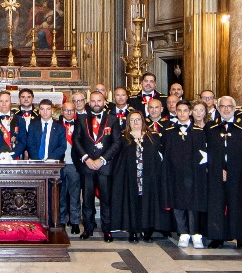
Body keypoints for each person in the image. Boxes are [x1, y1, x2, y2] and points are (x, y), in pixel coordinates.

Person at [109, 110, 167, 242]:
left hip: (148, 177)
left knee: (148, 203)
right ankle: (133, 231)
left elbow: (158, 157)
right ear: (128, 122)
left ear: (143, 121)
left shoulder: (153, 136)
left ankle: (147, 230)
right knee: (132, 203)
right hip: (130, 177)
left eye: (138, 119)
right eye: (132, 120)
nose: (135, 122)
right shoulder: (123, 137)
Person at [202, 95, 242, 249]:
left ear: (234, 109)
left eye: (229, 106)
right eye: (223, 106)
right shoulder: (210, 128)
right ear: (218, 108)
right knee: (217, 205)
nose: (226, 109)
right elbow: (208, 152)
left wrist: (233, 170)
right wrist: (218, 169)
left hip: (238, 173)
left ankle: (239, 236)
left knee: (237, 204)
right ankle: (217, 236)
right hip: (217, 173)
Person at [161, 100, 207, 247]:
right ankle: (183, 233)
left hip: (194, 173)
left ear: (190, 112)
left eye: (185, 110)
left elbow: (204, 153)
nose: (182, 113)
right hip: (175, 173)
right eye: (179, 110)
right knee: (178, 201)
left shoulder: (199, 132)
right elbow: (165, 153)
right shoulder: (169, 132)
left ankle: (196, 234)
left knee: (194, 204)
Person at [77, 88, 119, 240]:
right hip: (87, 166)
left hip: (105, 166)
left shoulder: (112, 119)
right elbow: (77, 141)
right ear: (89, 103)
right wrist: (87, 159)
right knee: (87, 199)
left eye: (99, 101)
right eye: (93, 101)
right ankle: (88, 228)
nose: (96, 103)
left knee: (106, 199)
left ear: (104, 102)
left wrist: (102, 160)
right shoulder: (81, 119)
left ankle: (107, 229)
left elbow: (116, 143)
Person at [57, 99, 83, 234]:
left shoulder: (81, 124)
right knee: (60, 194)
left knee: (74, 194)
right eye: (66, 110)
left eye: (71, 110)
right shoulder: (56, 125)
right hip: (60, 164)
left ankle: (74, 221)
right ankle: (61, 221)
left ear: (75, 111)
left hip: (75, 164)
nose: (69, 112)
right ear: (62, 111)